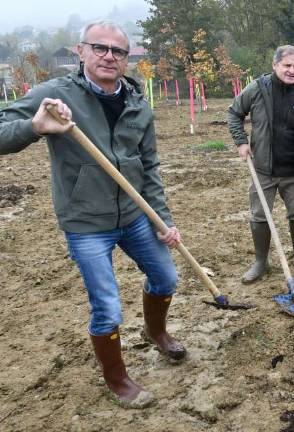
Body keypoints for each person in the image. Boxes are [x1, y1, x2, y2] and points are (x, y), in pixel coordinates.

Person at [0, 21, 185, 408]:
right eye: (99, 48)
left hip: (134, 215)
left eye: (117, 51)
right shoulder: (55, 95)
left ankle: (158, 333)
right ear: (80, 51)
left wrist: (162, 219)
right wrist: (34, 126)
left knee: (166, 277)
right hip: (86, 224)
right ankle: (117, 379)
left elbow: (148, 168)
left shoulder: (138, 104)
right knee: (108, 306)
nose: (108, 56)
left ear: (126, 59)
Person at [227, 45, 294, 282]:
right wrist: (241, 142)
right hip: (263, 169)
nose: (291, 71)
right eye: (286, 65)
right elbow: (234, 113)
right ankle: (261, 262)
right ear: (275, 65)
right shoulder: (258, 89)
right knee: (260, 215)